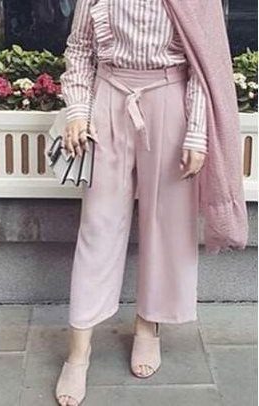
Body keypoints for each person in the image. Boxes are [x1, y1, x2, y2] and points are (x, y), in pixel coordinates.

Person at [55, 0, 248, 405]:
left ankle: (148, 325)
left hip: (169, 98)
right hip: (108, 98)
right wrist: (77, 111)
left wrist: (197, 133)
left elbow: (203, 62)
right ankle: (78, 351)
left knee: (167, 223)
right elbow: (80, 49)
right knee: (98, 225)